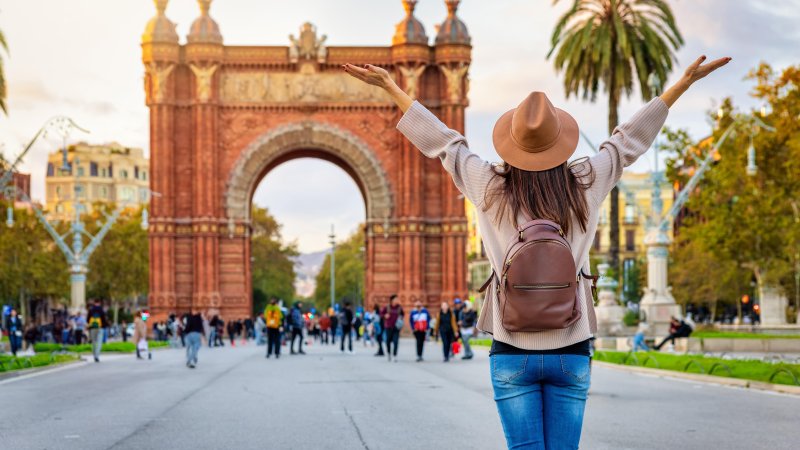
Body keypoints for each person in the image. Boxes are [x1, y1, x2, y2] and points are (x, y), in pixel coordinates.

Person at [343, 55, 729, 448]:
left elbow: (445, 142)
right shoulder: (586, 181)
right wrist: (682, 84)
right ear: (560, 142)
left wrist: (391, 88)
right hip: (572, 346)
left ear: (512, 144)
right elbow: (627, 141)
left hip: (510, 346)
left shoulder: (488, 185)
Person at [381, 295, 404, 362]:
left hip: (396, 327)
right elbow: (381, 314)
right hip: (388, 327)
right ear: (392, 300)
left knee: (396, 341)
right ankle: (389, 353)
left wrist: (400, 318)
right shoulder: (387, 307)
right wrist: (385, 316)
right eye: (396, 299)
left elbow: (402, 314)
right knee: (388, 341)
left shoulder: (399, 308)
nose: (397, 300)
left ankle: (395, 355)